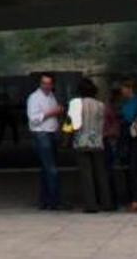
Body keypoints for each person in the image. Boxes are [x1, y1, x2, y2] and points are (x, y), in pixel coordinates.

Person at [68, 79, 115, 213]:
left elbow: (73, 124)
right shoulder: (101, 105)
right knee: (101, 173)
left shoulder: (75, 104)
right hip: (97, 141)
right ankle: (107, 203)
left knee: (86, 174)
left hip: (81, 142)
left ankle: (91, 205)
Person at [27, 73, 67, 210]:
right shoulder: (34, 98)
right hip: (41, 133)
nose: (47, 86)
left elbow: (54, 114)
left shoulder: (51, 96)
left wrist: (57, 113)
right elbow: (34, 118)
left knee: (47, 169)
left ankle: (45, 200)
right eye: (44, 83)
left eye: (49, 83)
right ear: (40, 83)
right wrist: (52, 112)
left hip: (51, 132)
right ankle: (55, 200)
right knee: (51, 169)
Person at [118, 79, 137, 212]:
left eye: (123, 88)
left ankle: (136, 199)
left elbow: (129, 118)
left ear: (129, 88)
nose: (121, 91)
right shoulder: (131, 102)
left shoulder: (134, 102)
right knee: (134, 167)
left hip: (135, 137)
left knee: (134, 168)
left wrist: (121, 115)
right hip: (133, 138)